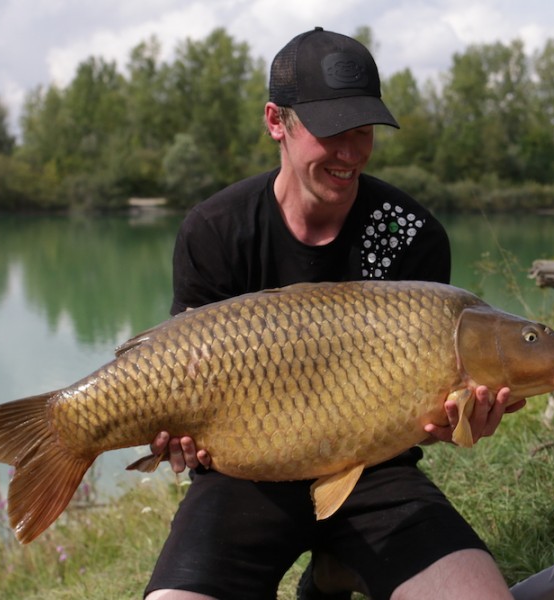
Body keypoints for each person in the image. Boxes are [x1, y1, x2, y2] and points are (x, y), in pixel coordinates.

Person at [144, 27, 525, 600]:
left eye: (364, 130)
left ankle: (335, 568)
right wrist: (178, 438)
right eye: (332, 131)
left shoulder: (408, 233)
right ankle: (335, 565)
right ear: (278, 121)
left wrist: (461, 422)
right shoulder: (215, 230)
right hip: (242, 479)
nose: (351, 151)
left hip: (375, 473)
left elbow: (428, 404)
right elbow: (180, 384)